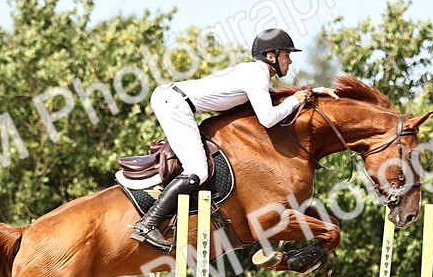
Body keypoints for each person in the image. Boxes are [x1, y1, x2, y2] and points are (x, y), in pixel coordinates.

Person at [129, 28, 311, 249]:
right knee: (198, 171)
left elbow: (274, 97)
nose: (290, 61)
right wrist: (294, 101)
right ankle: (147, 224)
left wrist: (317, 92)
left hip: (174, 100)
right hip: (175, 104)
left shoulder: (254, 73)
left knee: (197, 168)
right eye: (287, 55)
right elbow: (268, 118)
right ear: (271, 56)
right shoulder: (256, 75)